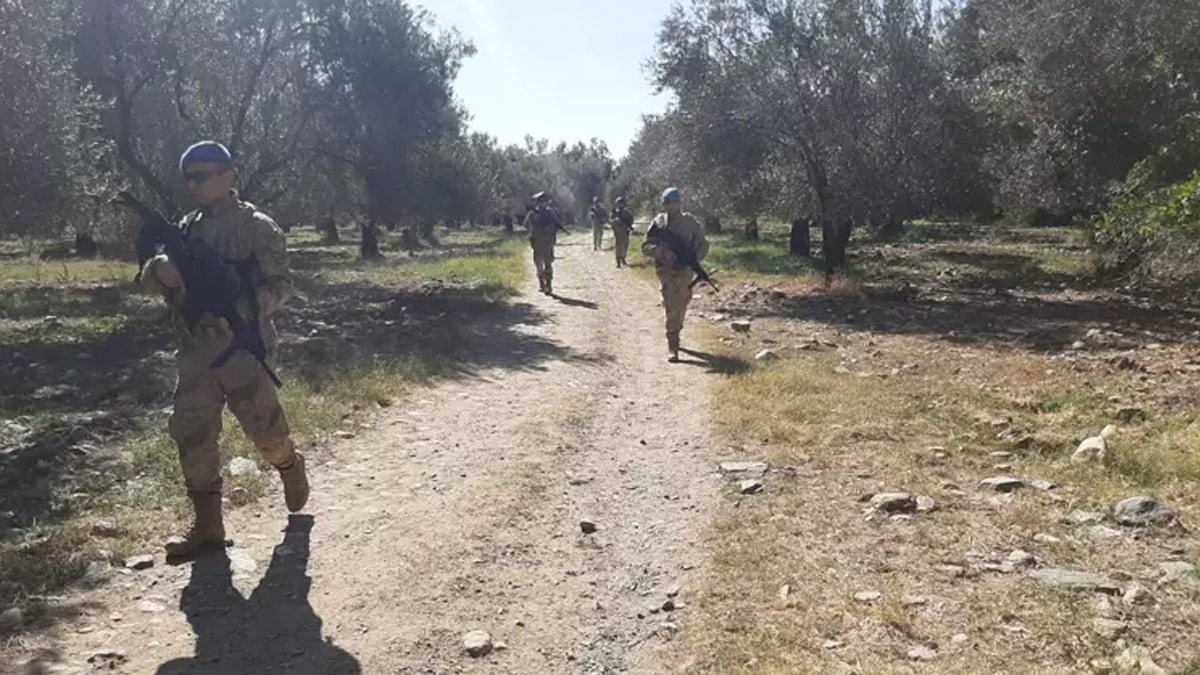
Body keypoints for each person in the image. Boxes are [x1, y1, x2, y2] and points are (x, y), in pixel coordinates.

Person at [141, 140, 309, 560]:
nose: (193, 186)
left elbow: (282, 284)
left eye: (201, 177)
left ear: (228, 175)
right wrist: (159, 269)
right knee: (192, 429)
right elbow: (153, 274)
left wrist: (248, 303)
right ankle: (208, 526)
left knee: (264, 429)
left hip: (241, 347)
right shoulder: (187, 226)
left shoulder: (257, 227)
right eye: (188, 179)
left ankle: (288, 464)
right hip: (196, 346)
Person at [642, 187, 709, 362]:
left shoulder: (690, 222)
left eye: (674, 203)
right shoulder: (659, 222)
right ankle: (673, 345)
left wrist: (693, 259)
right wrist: (660, 252)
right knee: (671, 304)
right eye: (667, 203)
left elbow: (703, 244)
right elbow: (645, 246)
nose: (671, 206)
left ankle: (676, 329)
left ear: (680, 204)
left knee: (683, 302)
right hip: (666, 271)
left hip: (685, 271)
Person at [523, 191, 563, 294]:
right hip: (538, 243)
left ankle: (548, 284)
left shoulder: (549, 212)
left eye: (544, 201)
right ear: (537, 202)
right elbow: (526, 225)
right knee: (539, 264)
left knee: (547, 264)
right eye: (541, 201)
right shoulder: (533, 213)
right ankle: (542, 282)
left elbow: (557, 223)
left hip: (546, 242)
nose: (542, 203)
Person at [610, 197, 636, 268]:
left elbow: (631, 220)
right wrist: (615, 221)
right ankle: (618, 262)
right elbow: (611, 221)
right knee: (618, 246)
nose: (620, 205)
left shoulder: (626, 212)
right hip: (617, 232)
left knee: (625, 245)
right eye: (619, 203)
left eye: (621, 203)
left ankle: (623, 259)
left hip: (625, 231)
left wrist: (628, 225)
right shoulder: (614, 212)